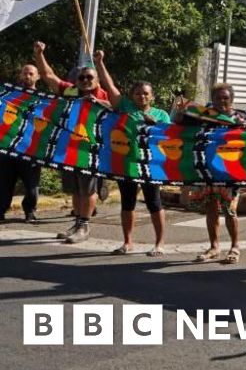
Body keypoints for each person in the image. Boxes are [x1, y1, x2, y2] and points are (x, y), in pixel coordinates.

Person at [93, 50, 172, 257]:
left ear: (152, 96)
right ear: (132, 96)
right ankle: (128, 243)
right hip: (126, 163)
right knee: (127, 202)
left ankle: (159, 243)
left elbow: (170, 139)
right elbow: (109, 85)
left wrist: (156, 126)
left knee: (154, 202)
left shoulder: (161, 114)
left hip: (150, 165)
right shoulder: (125, 107)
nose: (142, 96)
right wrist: (99, 62)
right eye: (138, 93)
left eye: (146, 93)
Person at [34, 41, 110, 244]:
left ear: (97, 80)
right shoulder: (69, 91)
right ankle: (77, 222)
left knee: (88, 189)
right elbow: (48, 76)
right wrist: (39, 54)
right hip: (68, 149)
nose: (85, 80)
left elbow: (118, 108)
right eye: (81, 77)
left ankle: (85, 225)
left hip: (92, 150)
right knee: (75, 189)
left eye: (89, 77)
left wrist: (98, 101)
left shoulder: (102, 94)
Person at [175, 83, 246, 265]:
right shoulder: (202, 115)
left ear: (231, 100)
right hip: (207, 170)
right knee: (210, 207)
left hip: (229, 172)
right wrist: (180, 112)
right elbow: (179, 124)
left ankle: (235, 246)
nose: (222, 101)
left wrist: (243, 128)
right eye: (218, 98)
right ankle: (214, 246)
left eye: (225, 98)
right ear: (213, 99)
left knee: (229, 210)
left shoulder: (241, 118)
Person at [0, 64, 42, 224]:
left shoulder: (44, 99)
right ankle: (1, 210)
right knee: (4, 184)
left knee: (32, 188)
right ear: (20, 76)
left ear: (37, 77)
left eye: (31, 73)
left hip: (31, 151)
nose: (27, 76)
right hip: (7, 149)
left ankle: (30, 211)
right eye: (24, 73)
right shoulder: (9, 96)